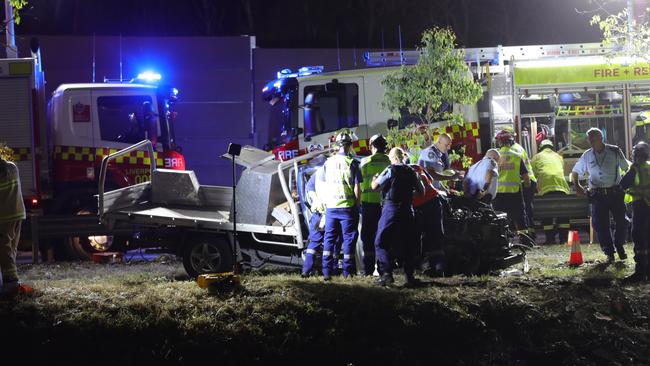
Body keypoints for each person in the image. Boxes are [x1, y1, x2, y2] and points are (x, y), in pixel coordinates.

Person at [571, 128, 630, 262]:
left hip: (615, 193)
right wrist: (577, 186)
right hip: (597, 195)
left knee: (622, 221)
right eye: (590, 139)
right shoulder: (587, 155)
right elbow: (575, 172)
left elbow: (627, 168)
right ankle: (609, 252)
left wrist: (626, 186)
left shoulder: (614, 151)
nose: (592, 142)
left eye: (594, 139)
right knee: (600, 225)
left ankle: (619, 244)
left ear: (601, 138)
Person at [372, 147, 424, 286]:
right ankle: (409, 277)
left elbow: (375, 186)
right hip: (407, 209)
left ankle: (387, 275)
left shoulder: (390, 169)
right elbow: (421, 191)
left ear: (393, 158)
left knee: (381, 241)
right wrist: (406, 195)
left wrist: (374, 179)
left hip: (391, 209)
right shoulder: (411, 171)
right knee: (408, 243)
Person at [320, 132, 362, 280]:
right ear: (350, 146)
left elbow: (324, 184)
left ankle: (326, 272)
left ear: (337, 147)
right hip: (348, 208)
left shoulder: (328, 163)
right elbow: (357, 188)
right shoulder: (353, 163)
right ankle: (347, 272)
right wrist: (357, 206)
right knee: (349, 240)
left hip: (331, 207)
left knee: (329, 239)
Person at [417, 134, 459, 271]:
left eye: (449, 145)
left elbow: (436, 181)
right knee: (433, 230)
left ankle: (435, 262)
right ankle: (428, 262)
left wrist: (446, 189)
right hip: (426, 198)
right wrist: (451, 176)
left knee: (436, 230)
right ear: (439, 142)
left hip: (433, 195)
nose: (448, 147)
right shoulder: (430, 153)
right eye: (446, 145)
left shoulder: (439, 154)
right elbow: (431, 175)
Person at [0, 155, 32, 298]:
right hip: (18, 213)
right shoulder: (13, 167)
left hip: (4, 216)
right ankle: (11, 280)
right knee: (12, 247)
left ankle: (11, 282)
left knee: (4, 247)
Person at [359, 134, 390, 276]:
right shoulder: (390, 162)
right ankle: (383, 270)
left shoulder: (364, 162)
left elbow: (358, 184)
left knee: (368, 237)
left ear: (372, 146)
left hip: (367, 205)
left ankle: (368, 270)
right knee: (382, 237)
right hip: (384, 206)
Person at [493, 130, 531, 243]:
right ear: (511, 142)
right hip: (515, 193)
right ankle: (524, 240)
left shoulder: (494, 158)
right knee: (520, 217)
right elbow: (526, 177)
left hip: (498, 193)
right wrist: (527, 185)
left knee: (501, 218)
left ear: (499, 142)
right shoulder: (517, 156)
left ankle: (504, 241)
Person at [620, 141, 650, 283]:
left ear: (636, 155)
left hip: (640, 206)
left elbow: (623, 185)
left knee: (639, 237)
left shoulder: (635, 169)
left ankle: (640, 273)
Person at [531, 139, 571, 245]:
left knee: (546, 214)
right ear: (552, 147)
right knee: (563, 214)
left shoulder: (537, 157)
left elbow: (533, 174)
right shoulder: (558, 156)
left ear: (541, 148)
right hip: (561, 188)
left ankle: (550, 239)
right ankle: (563, 239)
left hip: (546, 189)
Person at [503, 127, 538, 241]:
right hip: (526, 181)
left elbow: (518, 170)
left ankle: (529, 237)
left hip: (526, 182)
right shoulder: (517, 148)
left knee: (524, 211)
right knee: (525, 210)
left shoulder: (514, 150)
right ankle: (529, 236)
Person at [409, 163, 443, 276]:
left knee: (416, 235)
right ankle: (438, 266)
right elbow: (430, 179)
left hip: (421, 206)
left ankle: (417, 266)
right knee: (435, 234)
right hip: (434, 200)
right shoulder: (417, 167)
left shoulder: (401, 170)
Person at [301, 166, 326, 277]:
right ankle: (328, 272)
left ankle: (306, 271)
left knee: (314, 243)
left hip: (318, 214)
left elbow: (309, 188)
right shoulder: (334, 174)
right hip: (329, 214)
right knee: (331, 243)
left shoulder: (316, 176)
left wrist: (315, 201)